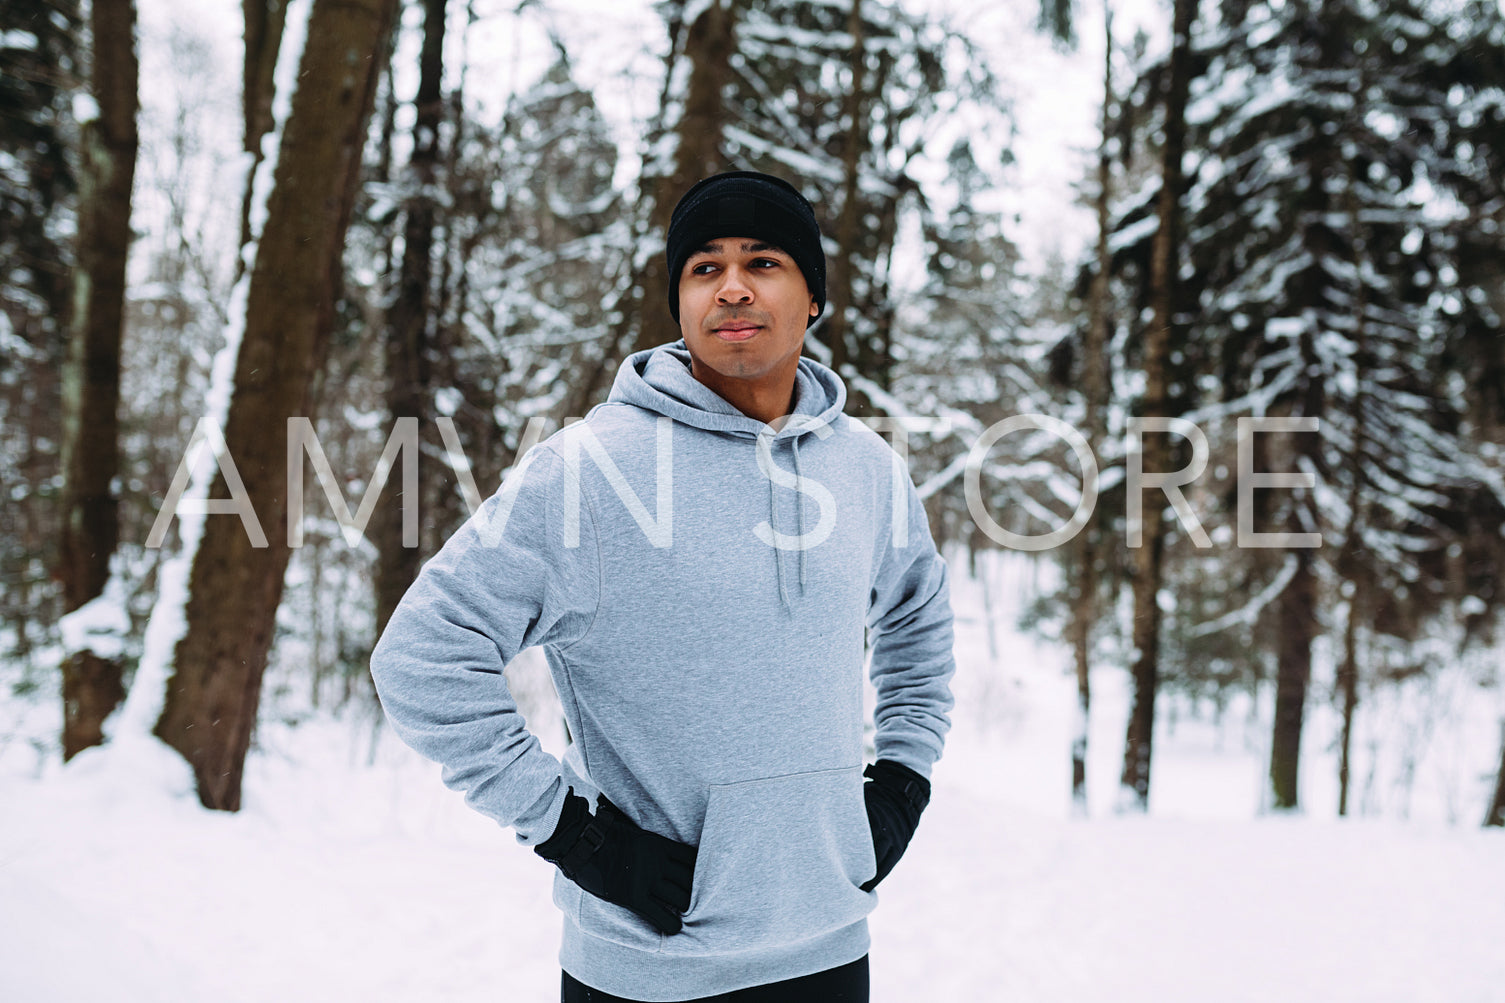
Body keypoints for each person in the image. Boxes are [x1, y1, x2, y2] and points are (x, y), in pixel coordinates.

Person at [370, 170, 956, 1003]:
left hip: (829, 947)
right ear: (680, 302)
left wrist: (903, 775)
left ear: (813, 298)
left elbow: (917, 623)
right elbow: (421, 660)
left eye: (764, 262)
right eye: (704, 268)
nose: (732, 287)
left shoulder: (865, 469)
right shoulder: (587, 473)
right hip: (649, 970)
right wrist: (577, 835)